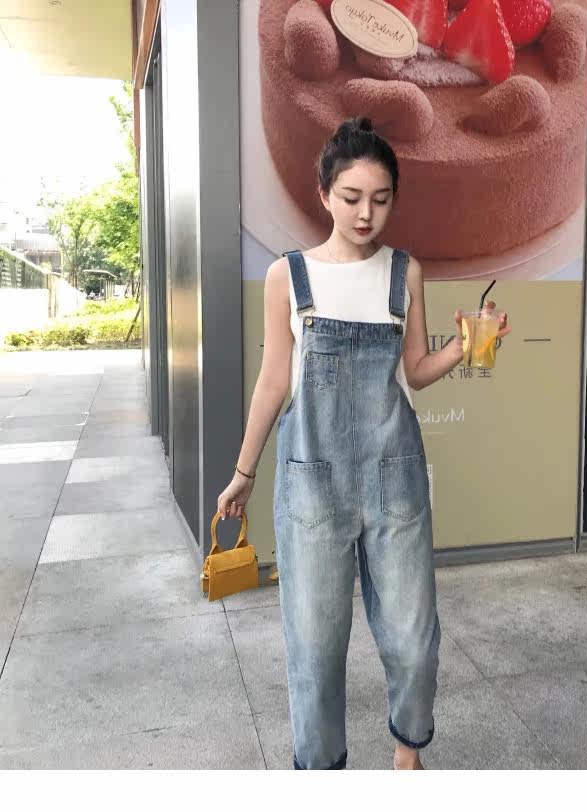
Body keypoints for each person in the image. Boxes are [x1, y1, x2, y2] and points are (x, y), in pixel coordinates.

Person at [217, 117, 511, 770]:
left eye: (380, 199)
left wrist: (467, 344)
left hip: (393, 477)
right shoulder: (288, 276)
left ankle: (408, 754)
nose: (365, 214)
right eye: (351, 197)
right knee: (315, 651)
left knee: (414, 640)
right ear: (324, 194)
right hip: (311, 485)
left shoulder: (404, 273)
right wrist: (244, 472)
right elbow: (273, 382)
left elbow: (414, 372)